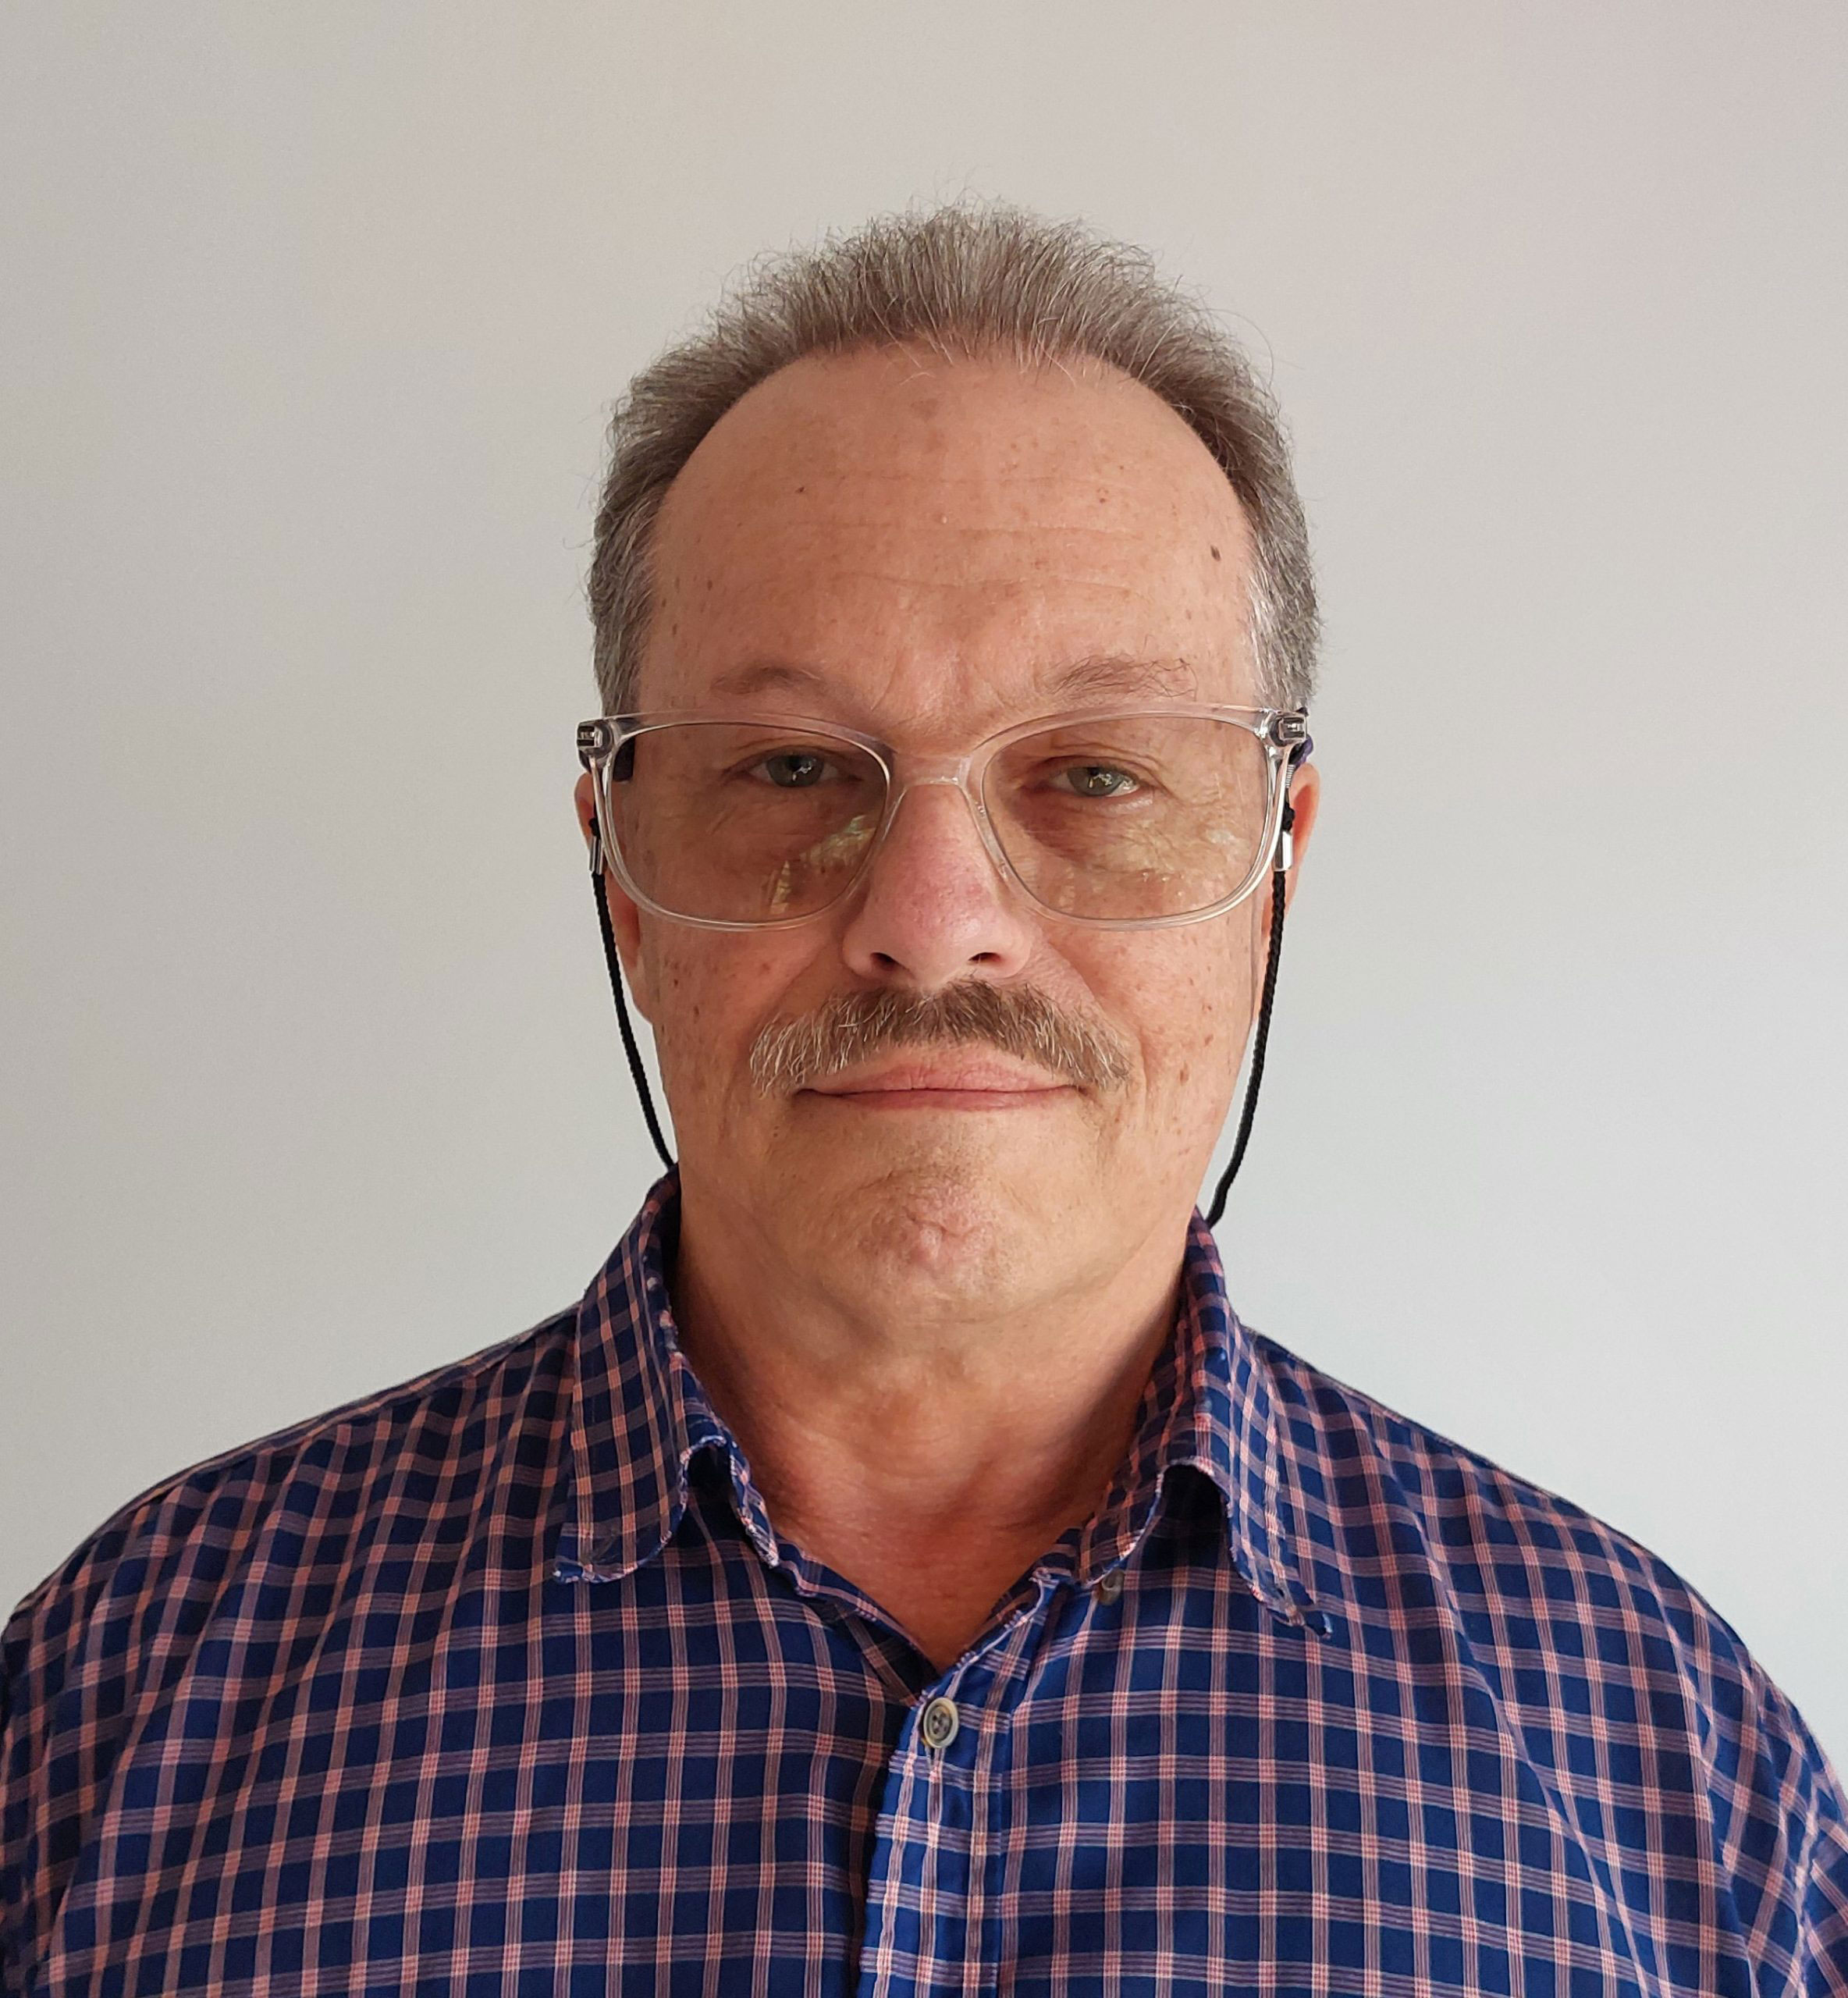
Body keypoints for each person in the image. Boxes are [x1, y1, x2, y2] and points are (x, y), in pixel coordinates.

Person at [4, 203, 1843, 1996]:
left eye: (1094, 775)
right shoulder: (117, 1697)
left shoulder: (1667, 1769)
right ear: (618, 867)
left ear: (1274, 866)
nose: (932, 920)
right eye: (789, 766)